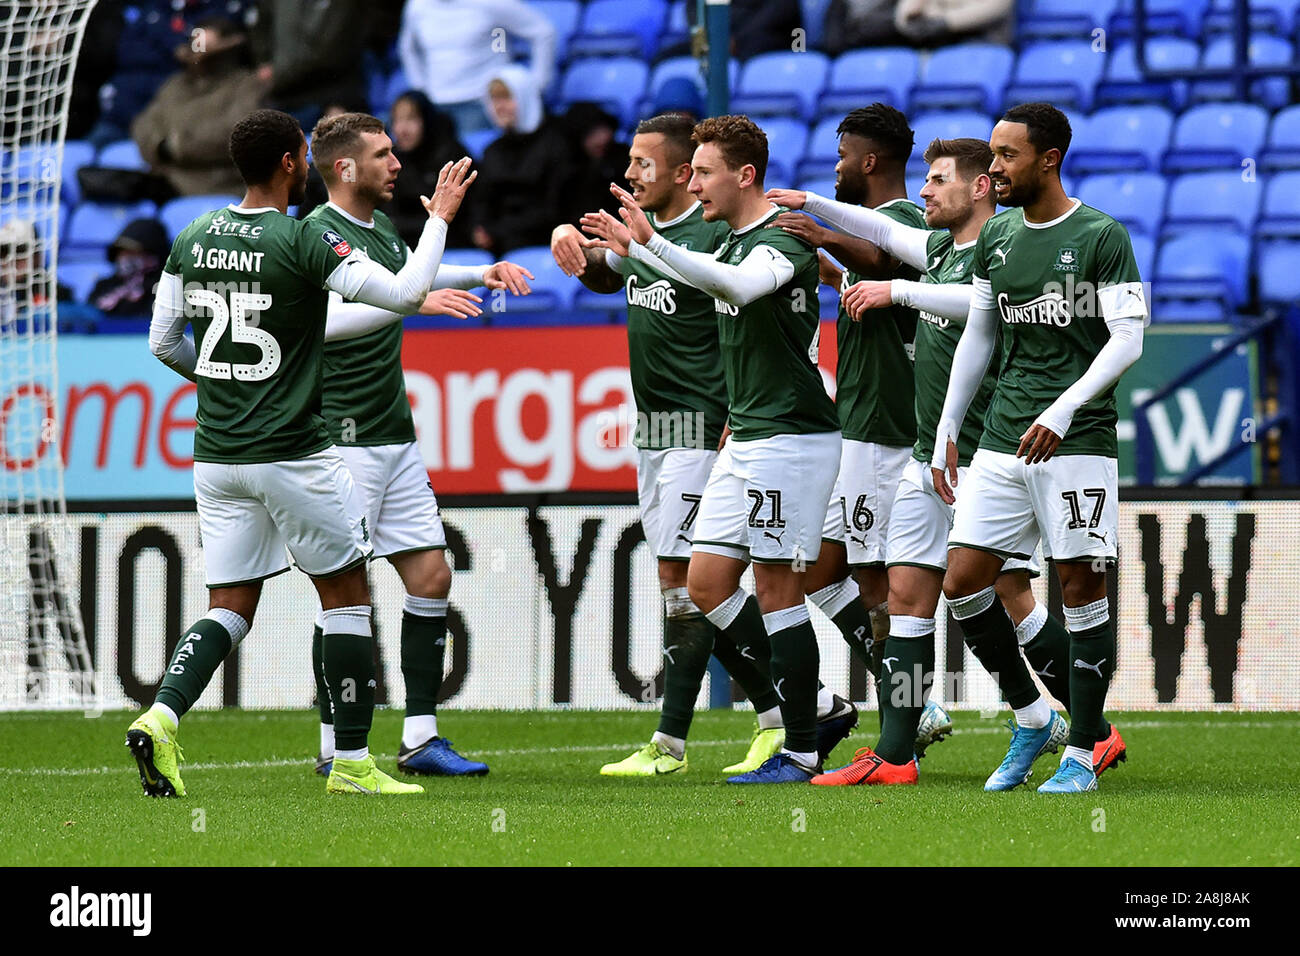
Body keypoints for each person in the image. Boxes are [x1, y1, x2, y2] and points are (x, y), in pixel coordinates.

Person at [128, 108, 475, 798]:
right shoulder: (300, 241)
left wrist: (222, 382)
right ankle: (349, 762)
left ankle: (161, 715)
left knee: (230, 603)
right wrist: (439, 217)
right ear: (293, 162)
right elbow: (407, 293)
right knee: (345, 594)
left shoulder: (191, 236)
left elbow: (162, 342)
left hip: (217, 455)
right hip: (291, 450)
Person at [770, 138, 1126, 785]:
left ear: (980, 189)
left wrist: (899, 294)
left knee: (1006, 592)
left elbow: (976, 308)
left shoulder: (1004, 255)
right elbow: (880, 227)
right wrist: (811, 204)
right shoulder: (939, 250)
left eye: (938, 181)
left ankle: (1085, 728)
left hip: (997, 450)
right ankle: (899, 754)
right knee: (910, 597)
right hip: (929, 451)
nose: (925, 193)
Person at [583, 115, 844, 784]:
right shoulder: (726, 245)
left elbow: (734, 288)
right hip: (744, 436)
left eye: (702, 172)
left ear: (744, 175)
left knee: (778, 587)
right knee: (704, 582)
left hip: (790, 435)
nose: (692, 183)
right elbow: (693, 280)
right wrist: (633, 246)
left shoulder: (782, 243)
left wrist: (649, 243)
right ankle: (811, 705)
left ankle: (800, 745)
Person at [553, 113, 787, 777]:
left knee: (688, 581)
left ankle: (679, 742)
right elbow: (606, 271)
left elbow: (755, 325)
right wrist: (566, 236)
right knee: (674, 582)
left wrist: (737, 412)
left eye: (643, 164)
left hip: (701, 425)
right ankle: (789, 712)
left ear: (684, 173)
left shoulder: (713, 236)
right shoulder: (641, 237)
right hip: (656, 429)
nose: (629, 174)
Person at [304, 110, 532, 778]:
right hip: (340, 435)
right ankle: (333, 743)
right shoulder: (316, 234)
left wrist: (478, 274)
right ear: (345, 168)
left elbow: (411, 276)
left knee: (429, 575)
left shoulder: (373, 230)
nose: (397, 162)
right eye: (381, 155)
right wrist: (412, 298)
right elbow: (321, 324)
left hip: (391, 433)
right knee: (344, 593)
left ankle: (420, 737)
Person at [931, 103, 1145, 793]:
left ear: (1048, 159)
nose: (993, 168)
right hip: (1002, 438)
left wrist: (1063, 407)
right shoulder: (996, 236)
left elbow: (1128, 338)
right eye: (992, 153)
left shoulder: (1100, 235)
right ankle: (1030, 717)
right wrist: (947, 424)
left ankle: (1083, 751)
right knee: (963, 581)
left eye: (1007, 155)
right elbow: (982, 335)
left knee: (1080, 587)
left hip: (1076, 440)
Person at [773, 105, 925, 719]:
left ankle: (904, 718)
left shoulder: (907, 221)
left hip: (888, 427)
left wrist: (825, 234)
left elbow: (887, 264)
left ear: (869, 161)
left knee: (878, 581)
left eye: (842, 158)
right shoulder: (870, 233)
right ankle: (909, 702)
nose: (835, 170)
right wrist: (831, 268)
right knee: (819, 569)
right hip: (856, 420)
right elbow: (868, 281)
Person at [130, 17, 263, 197]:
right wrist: (159, 146)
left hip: (220, 188)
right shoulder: (175, 85)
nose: (200, 54)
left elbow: (238, 134)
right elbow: (143, 124)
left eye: (209, 49)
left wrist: (177, 146)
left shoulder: (248, 86)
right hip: (167, 183)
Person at [398, 0, 556, 135]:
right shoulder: (417, 5)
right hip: (434, 105)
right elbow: (408, 49)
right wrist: (420, 88)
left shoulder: (491, 3)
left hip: (480, 105)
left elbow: (542, 32)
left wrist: (536, 87)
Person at [471, 67, 571, 256]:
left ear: (525, 98)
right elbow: (482, 201)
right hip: (499, 247)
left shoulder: (555, 146)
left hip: (543, 245)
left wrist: (497, 231)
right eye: (494, 99)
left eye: (506, 98)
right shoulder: (492, 151)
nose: (499, 107)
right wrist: (480, 229)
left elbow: (555, 209)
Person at [250, 0, 367, 131]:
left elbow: (329, 50)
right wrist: (264, 61)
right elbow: (260, 24)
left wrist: (278, 74)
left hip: (329, 92)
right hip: (282, 96)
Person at [384, 92, 475, 250]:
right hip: (404, 248)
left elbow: (463, 215)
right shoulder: (391, 160)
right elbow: (388, 218)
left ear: (426, 120)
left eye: (411, 119)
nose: (402, 129)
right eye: (397, 120)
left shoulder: (451, 155)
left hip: (451, 244)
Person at [559, 102, 630, 229]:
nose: (601, 139)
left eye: (602, 130)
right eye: (591, 135)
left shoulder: (626, 158)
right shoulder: (569, 170)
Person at [89, 217, 169, 318]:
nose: (124, 258)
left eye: (133, 252)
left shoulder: (164, 289)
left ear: (152, 254)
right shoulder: (104, 286)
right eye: (121, 252)